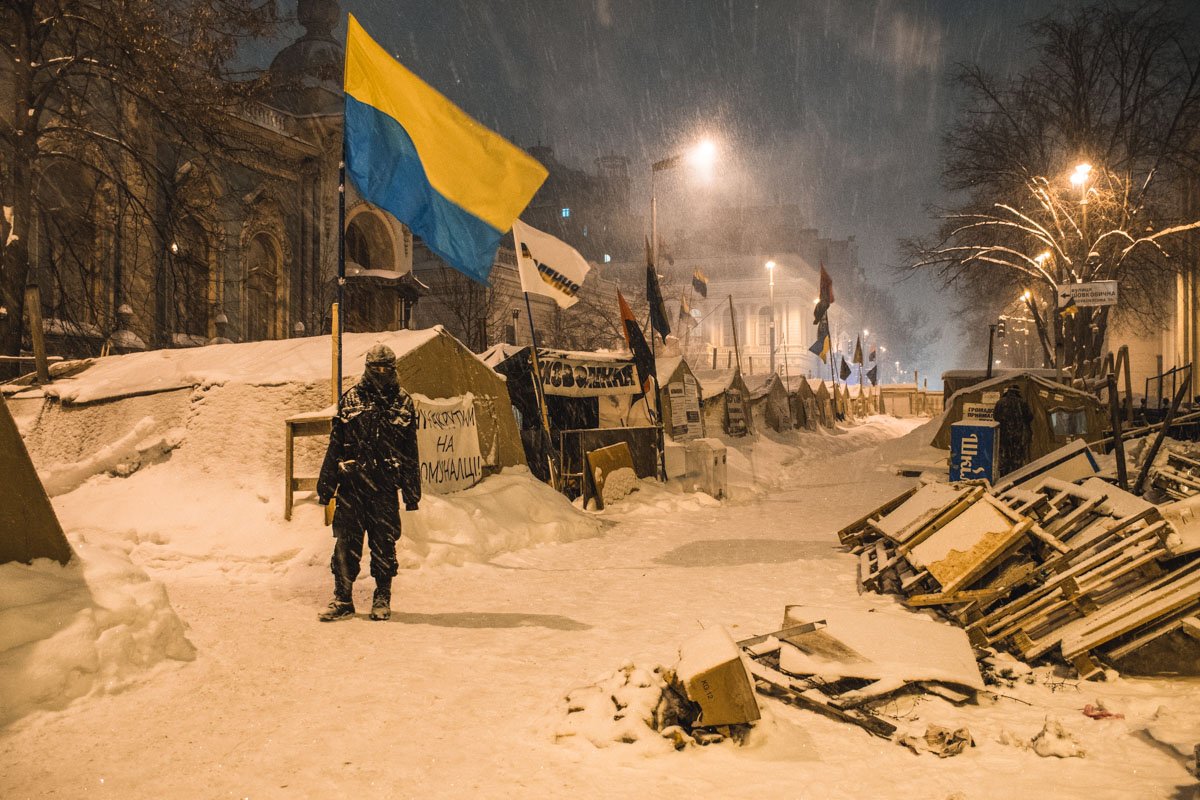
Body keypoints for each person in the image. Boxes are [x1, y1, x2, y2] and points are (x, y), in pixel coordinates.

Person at [316, 344, 421, 621]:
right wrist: (325, 487)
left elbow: (410, 451)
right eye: (376, 368)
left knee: (384, 545)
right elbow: (335, 445)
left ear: (394, 369)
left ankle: (382, 596)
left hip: (384, 488)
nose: (381, 373)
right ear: (367, 368)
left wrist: (412, 493)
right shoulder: (350, 400)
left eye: (387, 368)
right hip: (352, 487)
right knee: (345, 545)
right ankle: (342, 599)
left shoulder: (402, 402)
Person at [993, 384, 1034, 477]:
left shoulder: (1000, 403)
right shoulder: (1022, 403)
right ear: (1017, 392)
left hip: (1003, 437)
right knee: (1016, 459)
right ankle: (1016, 477)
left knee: (1004, 458)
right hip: (1018, 437)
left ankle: (1003, 477)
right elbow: (1030, 417)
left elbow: (995, 417)